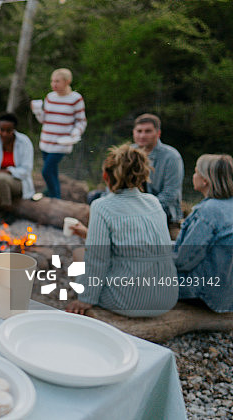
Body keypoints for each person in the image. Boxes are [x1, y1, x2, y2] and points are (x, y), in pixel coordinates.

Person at [66, 145, 178, 317]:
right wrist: (88, 233)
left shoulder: (102, 206)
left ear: (105, 176)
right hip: (167, 298)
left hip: (129, 301)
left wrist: (86, 298)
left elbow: (98, 258)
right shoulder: (153, 202)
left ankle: (86, 296)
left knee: (80, 253)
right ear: (143, 175)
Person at [175, 154, 233, 312]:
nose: (193, 176)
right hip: (226, 293)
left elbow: (184, 261)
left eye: (195, 172)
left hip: (203, 293)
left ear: (205, 180)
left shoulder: (208, 212)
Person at [32, 68, 87, 199]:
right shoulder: (50, 97)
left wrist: (75, 133)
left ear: (67, 82)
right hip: (46, 140)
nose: (53, 84)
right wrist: (37, 111)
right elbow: (43, 120)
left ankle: (55, 197)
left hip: (62, 142)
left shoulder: (76, 99)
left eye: (57, 81)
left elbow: (81, 121)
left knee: (46, 171)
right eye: (52, 81)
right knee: (52, 172)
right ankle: (53, 194)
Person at [130, 113, 184, 234]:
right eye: (139, 131)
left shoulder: (172, 157)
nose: (142, 135)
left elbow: (170, 194)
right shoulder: (127, 154)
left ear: (158, 133)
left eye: (148, 131)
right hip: (131, 216)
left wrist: (141, 210)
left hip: (166, 219)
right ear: (133, 132)